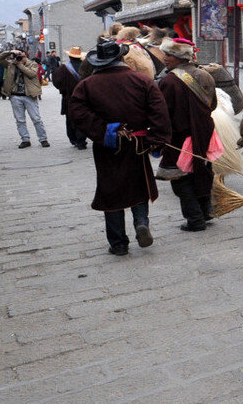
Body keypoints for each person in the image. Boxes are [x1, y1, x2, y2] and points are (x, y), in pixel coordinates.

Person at [68, 40, 171, 256]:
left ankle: (118, 243)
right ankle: (141, 222)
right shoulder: (142, 80)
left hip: (107, 148)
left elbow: (77, 114)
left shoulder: (86, 85)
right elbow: (159, 112)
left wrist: (105, 131)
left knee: (110, 190)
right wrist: (157, 139)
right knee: (139, 185)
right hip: (138, 144)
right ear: (122, 58)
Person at [155, 37, 217, 231]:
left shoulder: (169, 81)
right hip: (204, 132)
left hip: (179, 137)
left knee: (181, 180)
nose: (165, 58)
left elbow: (164, 113)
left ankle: (195, 220)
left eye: (169, 55)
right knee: (202, 171)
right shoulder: (205, 75)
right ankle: (206, 211)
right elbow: (213, 105)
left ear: (180, 57)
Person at [0, 48, 49, 147]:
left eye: (22, 56)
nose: (20, 58)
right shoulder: (11, 64)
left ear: (26, 56)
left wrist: (19, 64)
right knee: (20, 120)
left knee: (36, 118)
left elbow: (31, 74)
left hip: (29, 95)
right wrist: (10, 52)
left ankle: (43, 139)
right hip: (15, 95)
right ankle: (25, 139)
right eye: (18, 56)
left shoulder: (33, 64)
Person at [52, 46, 88, 149]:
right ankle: (81, 140)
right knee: (82, 118)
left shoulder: (63, 69)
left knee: (70, 118)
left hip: (68, 98)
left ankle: (73, 139)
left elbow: (57, 82)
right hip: (83, 98)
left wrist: (63, 90)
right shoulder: (85, 68)